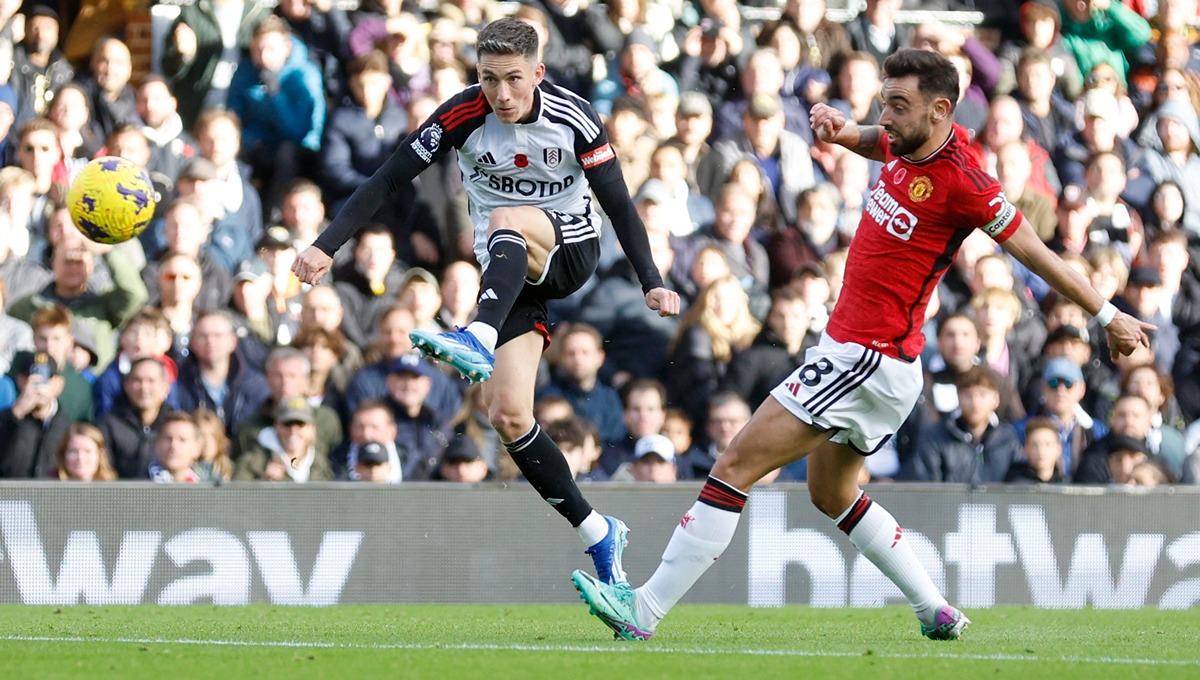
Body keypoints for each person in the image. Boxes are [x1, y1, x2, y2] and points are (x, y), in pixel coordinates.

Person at [570, 48, 1153, 642]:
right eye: (884, 103)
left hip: (868, 357)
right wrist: (845, 131)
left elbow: (1037, 253)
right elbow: (881, 141)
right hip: (868, 357)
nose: (887, 117)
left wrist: (1107, 314)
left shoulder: (965, 182)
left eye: (899, 105)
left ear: (940, 109)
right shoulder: (908, 140)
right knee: (831, 493)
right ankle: (934, 608)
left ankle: (642, 610)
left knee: (734, 465)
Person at [292, 18, 680, 586]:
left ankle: (477, 335)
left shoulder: (574, 118)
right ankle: (598, 531)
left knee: (505, 218)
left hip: (569, 248)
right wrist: (325, 245)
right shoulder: (460, 114)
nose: (500, 93)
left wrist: (651, 280)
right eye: (488, 78)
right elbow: (387, 179)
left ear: (538, 73)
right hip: (508, 272)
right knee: (508, 415)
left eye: (513, 78)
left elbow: (620, 204)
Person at [911, 367, 1023, 483]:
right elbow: (928, 484)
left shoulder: (1007, 437)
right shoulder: (936, 437)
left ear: (996, 399)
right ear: (958, 398)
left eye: (982, 395)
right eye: (968, 395)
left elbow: (1021, 475)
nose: (975, 403)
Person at [99, 356, 173, 479]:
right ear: (126, 385)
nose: (144, 387)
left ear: (165, 387)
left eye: (151, 381)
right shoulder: (109, 425)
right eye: (137, 380)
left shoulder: (174, 425)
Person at [53, 422, 118, 482]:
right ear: (63, 454)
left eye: (87, 451)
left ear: (100, 454)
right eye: (73, 451)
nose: (80, 458)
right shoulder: (50, 484)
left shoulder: (112, 487)